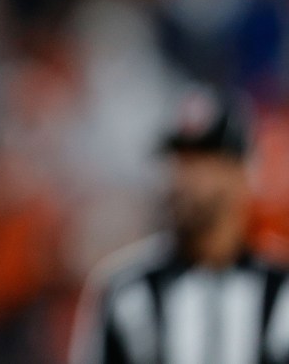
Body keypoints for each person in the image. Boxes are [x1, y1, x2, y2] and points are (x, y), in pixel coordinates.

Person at [68, 88, 289, 364]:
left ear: (241, 174)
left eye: (202, 161)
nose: (184, 179)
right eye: (178, 162)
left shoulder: (281, 291)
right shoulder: (127, 290)